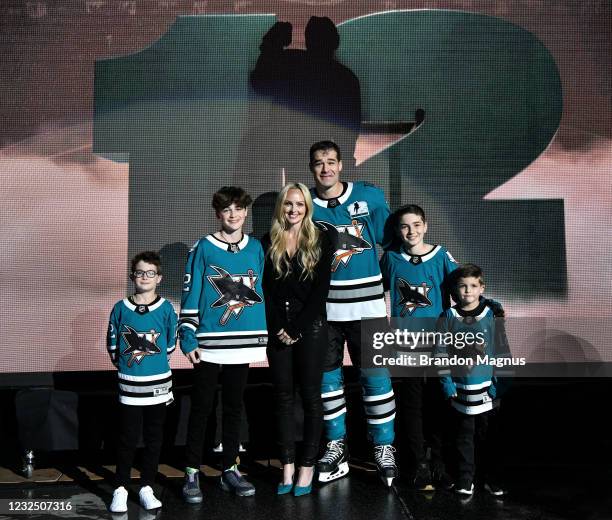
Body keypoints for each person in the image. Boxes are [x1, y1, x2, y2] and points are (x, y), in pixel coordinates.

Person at [309, 140, 398, 487]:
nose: (326, 169)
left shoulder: (370, 197)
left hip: (369, 306)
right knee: (328, 384)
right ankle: (337, 447)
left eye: (331, 162)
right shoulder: (306, 205)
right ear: (312, 168)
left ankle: (384, 447)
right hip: (327, 311)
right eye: (319, 163)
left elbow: (392, 247)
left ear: (342, 164)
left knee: (376, 379)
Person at [178, 187, 267, 503]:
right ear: (218, 213)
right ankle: (191, 471)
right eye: (227, 209)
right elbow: (191, 293)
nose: (233, 215)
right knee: (201, 408)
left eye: (239, 209)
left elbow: (264, 291)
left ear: (246, 212)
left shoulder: (256, 247)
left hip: (242, 344)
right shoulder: (202, 247)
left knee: (233, 407)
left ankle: (230, 468)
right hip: (209, 342)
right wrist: (187, 335)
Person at [379, 205, 458, 490]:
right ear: (398, 231)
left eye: (416, 225)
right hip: (405, 345)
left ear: (425, 226)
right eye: (404, 226)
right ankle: (417, 465)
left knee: (439, 403)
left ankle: (438, 463)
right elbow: (374, 291)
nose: (410, 231)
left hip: (439, 344)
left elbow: (464, 288)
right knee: (411, 406)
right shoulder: (390, 259)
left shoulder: (440, 255)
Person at [262, 183, 333, 497]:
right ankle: (287, 466)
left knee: (311, 399)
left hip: (311, 328)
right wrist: (279, 326)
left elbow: (321, 292)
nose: (293, 210)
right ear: (281, 207)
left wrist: (297, 328)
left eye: (300, 205)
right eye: (288, 204)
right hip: (278, 330)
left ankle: (307, 467)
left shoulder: (321, 238)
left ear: (307, 207)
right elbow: (266, 291)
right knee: (283, 400)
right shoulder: (268, 241)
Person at [106, 251, 178, 513]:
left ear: (159, 278)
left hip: (158, 385)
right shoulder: (120, 307)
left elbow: (170, 344)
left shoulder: (167, 308)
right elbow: (113, 345)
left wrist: (151, 366)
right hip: (129, 385)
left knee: (154, 437)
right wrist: (130, 368)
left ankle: (146, 486)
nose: (144, 277)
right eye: (139, 272)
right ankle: (121, 488)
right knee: (126, 438)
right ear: (132, 276)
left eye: (150, 273)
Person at [434, 263, 511, 496]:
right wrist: (447, 385)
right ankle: (466, 479)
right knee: (463, 439)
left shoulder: (491, 316)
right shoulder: (448, 316)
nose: (467, 291)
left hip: (488, 392)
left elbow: (502, 352)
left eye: (473, 286)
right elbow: (440, 353)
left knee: (488, 439)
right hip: (461, 392)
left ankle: (490, 479)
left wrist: (499, 387)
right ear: (456, 290)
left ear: (481, 288)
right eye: (462, 286)